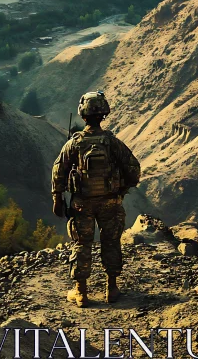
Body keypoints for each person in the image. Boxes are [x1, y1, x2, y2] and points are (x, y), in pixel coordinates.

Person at [51, 91, 140, 307]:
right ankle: (112, 289)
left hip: (82, 203)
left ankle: (81, 293)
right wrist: (121, 191)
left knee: (81, 245)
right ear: (103, 114)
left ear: (83, 116)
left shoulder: (74, 143)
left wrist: (57, 198)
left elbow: (59, 171)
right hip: (110, 202)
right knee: (111, 242)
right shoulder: (112, 143)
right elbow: (133, 169)